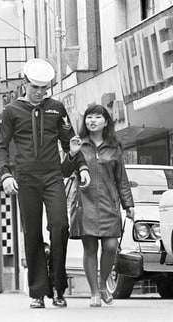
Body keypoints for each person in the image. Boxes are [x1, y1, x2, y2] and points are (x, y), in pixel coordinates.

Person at [0, 58, 90, 309]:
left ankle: (59, 288)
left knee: (60, 226)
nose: (39, 93)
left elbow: (71, 143)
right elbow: (1, 147)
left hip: (52, 176)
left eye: (44, 88)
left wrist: (79, 164)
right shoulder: (11, 111)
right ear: (25, 83)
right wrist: (5, 175)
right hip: (25, 177)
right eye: (35, 87)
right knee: (33, 233)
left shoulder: (57, 108)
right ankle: (37, 291)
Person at [62, 104, 135, 307]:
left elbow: (121, 179)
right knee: (90, 247)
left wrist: (128, 204)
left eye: (97, 117)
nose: (92, 120)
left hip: (109, 203)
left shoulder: (114, 147)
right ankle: (94, 292)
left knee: (111, 246)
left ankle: (102, 285)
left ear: (105, 122)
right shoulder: (78, 144)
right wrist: (71, 153)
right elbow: (65, 171)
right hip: (84, 203)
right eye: (89, 117)